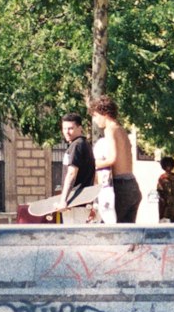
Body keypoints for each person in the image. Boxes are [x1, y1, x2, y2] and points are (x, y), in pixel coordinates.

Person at [88, 95, 141, 223]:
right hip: (132, 186)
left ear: (104, 113)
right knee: (128, 235)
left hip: (120, 187)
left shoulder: (110, 130)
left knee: (111, 232)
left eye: (95, 116)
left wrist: (92, 165)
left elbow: (112, 159)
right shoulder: (121, 129)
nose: (94, 120)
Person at [56, 112, 96, 212]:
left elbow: (71, 173)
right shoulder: (84, 144)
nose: (66, 132)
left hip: (75, 202)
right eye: (64, 128)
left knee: (74, 228)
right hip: (81, 201)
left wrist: (63, 200)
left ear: (80, 128)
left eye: (70, 128)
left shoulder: (77, 145)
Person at [157, 156, 174, 223]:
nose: (169, 167)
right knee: (166, 224)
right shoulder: (162, 178)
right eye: (167, 165)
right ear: (164, 166)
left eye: (170, 165)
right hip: (166, 206)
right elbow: (160, 192)